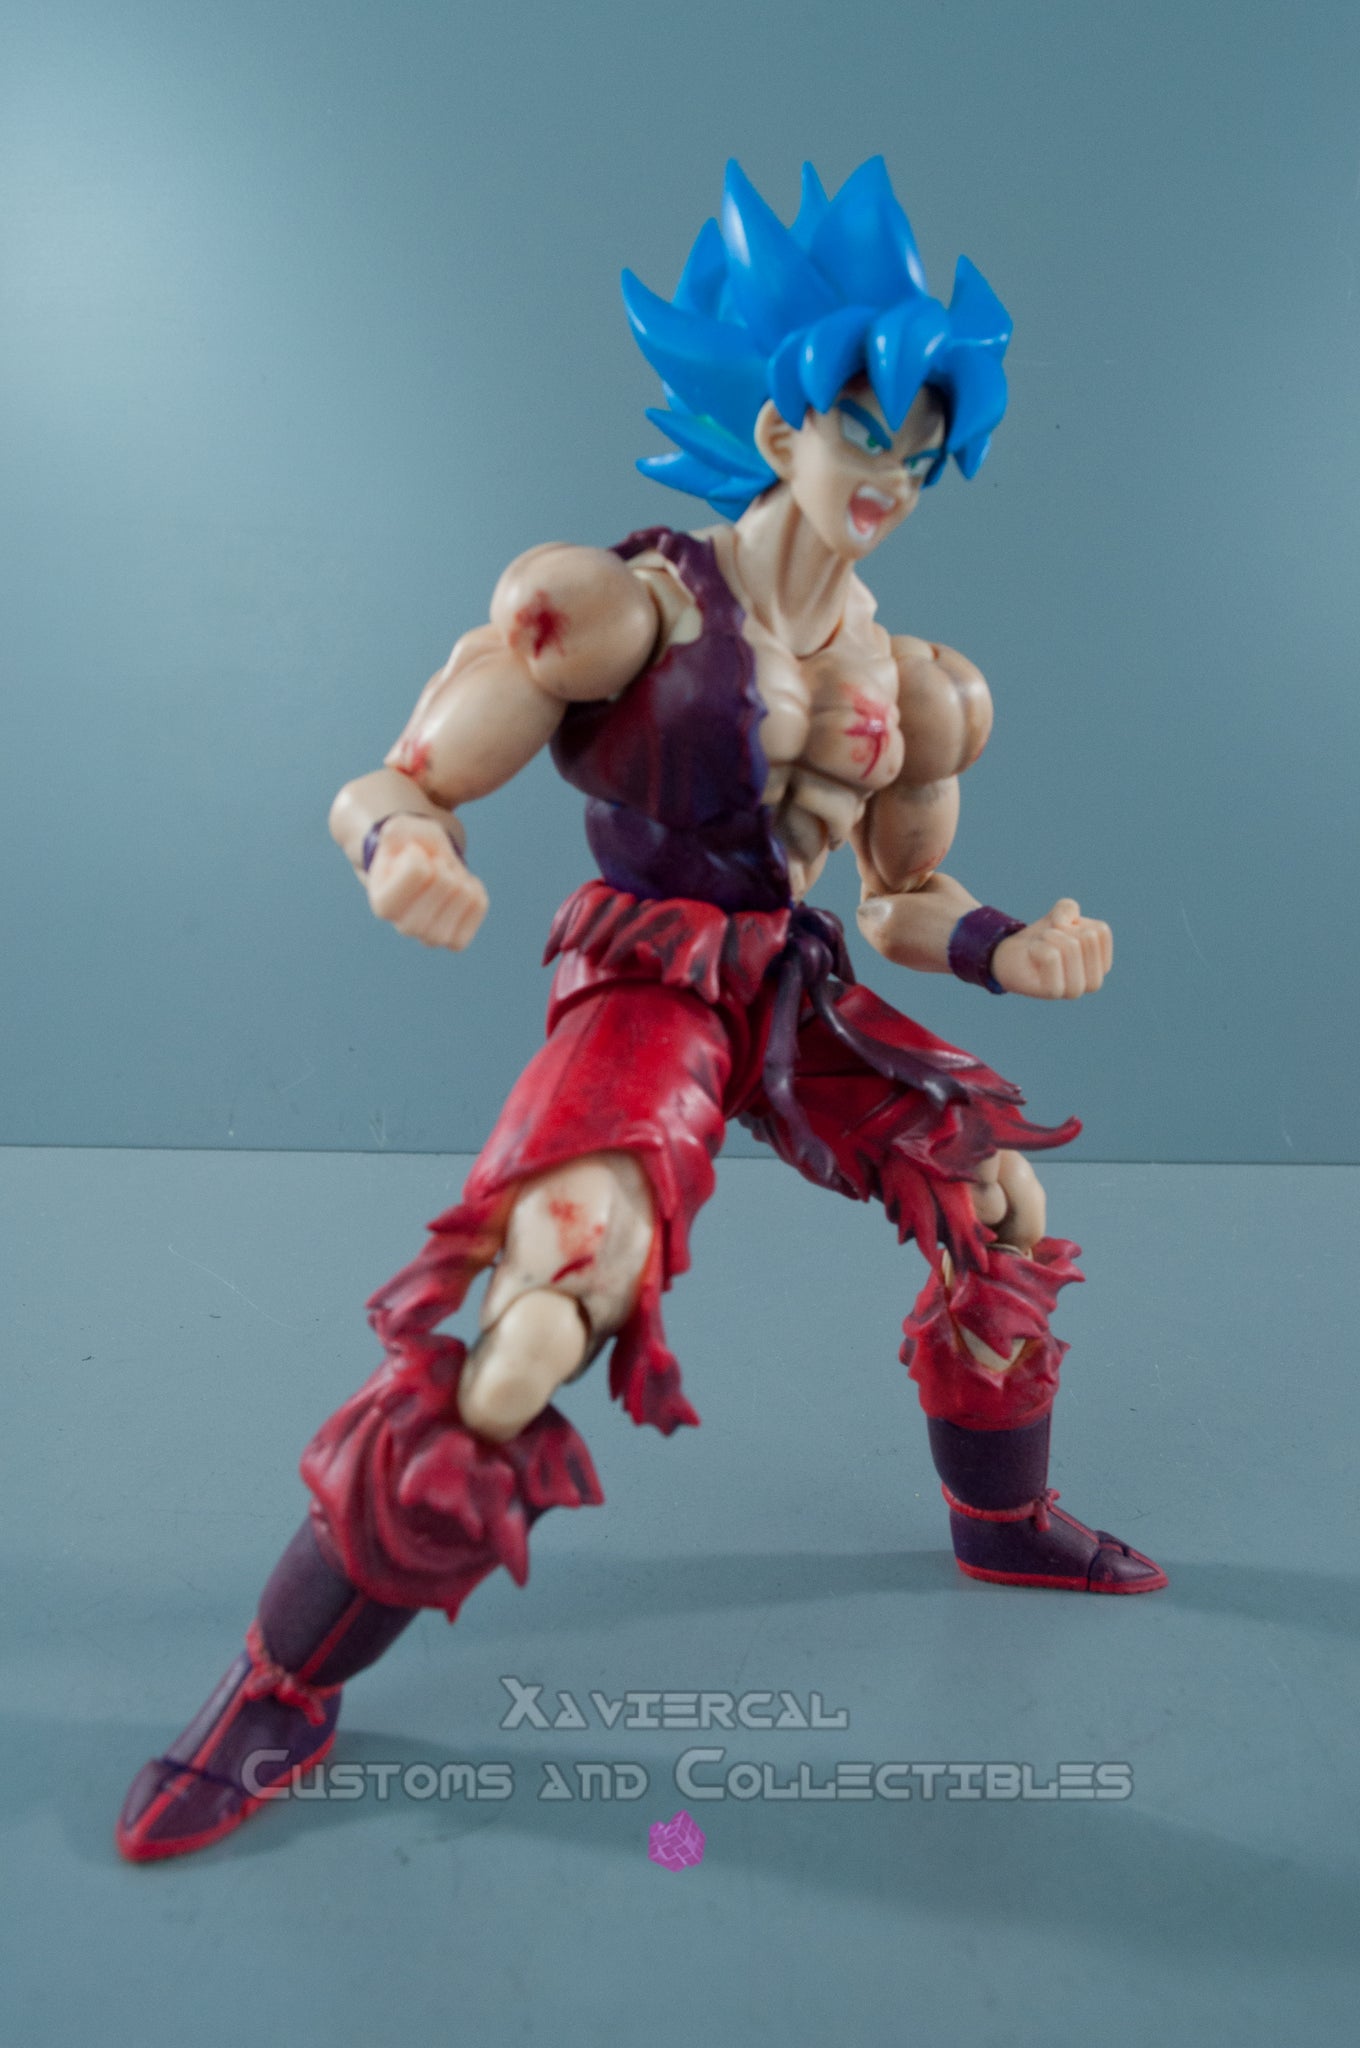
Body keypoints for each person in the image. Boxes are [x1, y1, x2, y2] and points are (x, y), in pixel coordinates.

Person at [117, 157, 1165, 1864]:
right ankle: (280, 1684)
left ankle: (1005, 1519)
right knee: (541, 1320)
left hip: (793, 983)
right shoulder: (613, 607)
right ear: (777, 430)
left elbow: (898, 898)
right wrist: (402, 852)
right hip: (650, 977)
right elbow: (391, 780)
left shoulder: (918, 686)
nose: (892, 475)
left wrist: (1005, 948)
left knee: (997, 1197)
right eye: (865, 432)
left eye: (920, 447)